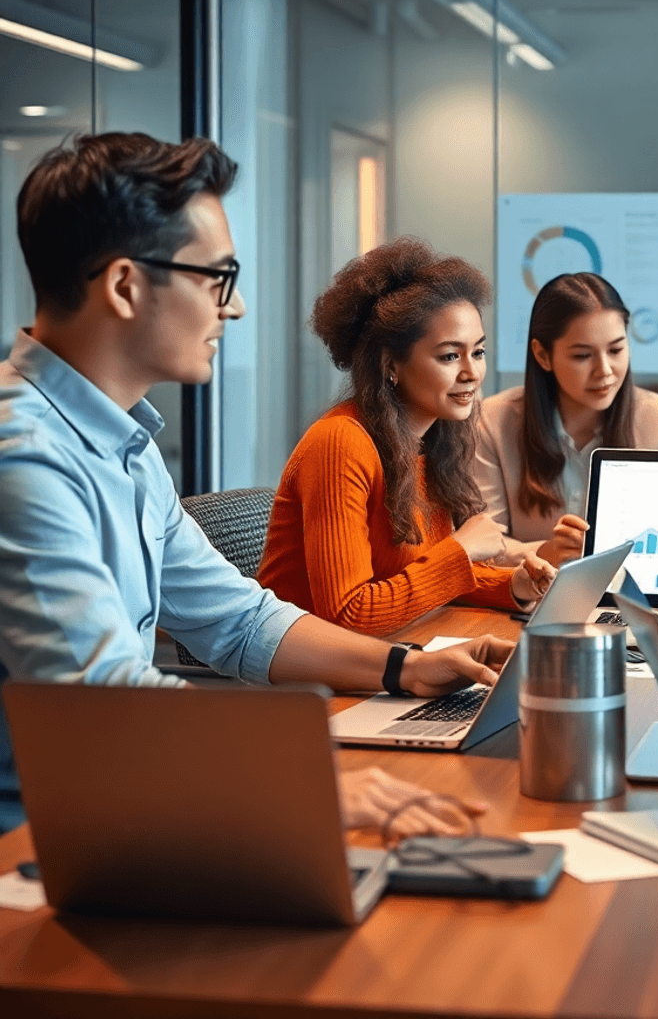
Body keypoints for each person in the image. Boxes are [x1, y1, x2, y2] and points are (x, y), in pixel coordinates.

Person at [0, 133, 510, 834]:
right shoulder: (24, 458)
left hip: (125, 800)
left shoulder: (125, 443)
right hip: (40, 839)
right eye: (218, 280)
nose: (232, 310)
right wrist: (300, 779)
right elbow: (104, 704)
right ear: (124, 286)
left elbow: (240, 619)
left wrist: (406, 669)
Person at [258, 241, 553, 638]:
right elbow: (347, 615)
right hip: (312, 684)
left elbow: (414, 580)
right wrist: (460, 551)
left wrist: (512, 586)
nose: (471, 373)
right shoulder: (340, 443)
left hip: (389, 652)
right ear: (391, 364)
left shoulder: (432, 441)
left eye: (477, 352)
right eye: (450, 356)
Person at [473, 272, 658, 566]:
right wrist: (548, 551)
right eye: (583, 355)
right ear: (543, 355)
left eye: (616, 350)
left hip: (623, 600)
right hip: (525, 603)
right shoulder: (494, 421)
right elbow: (481, 549)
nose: (605, 371)